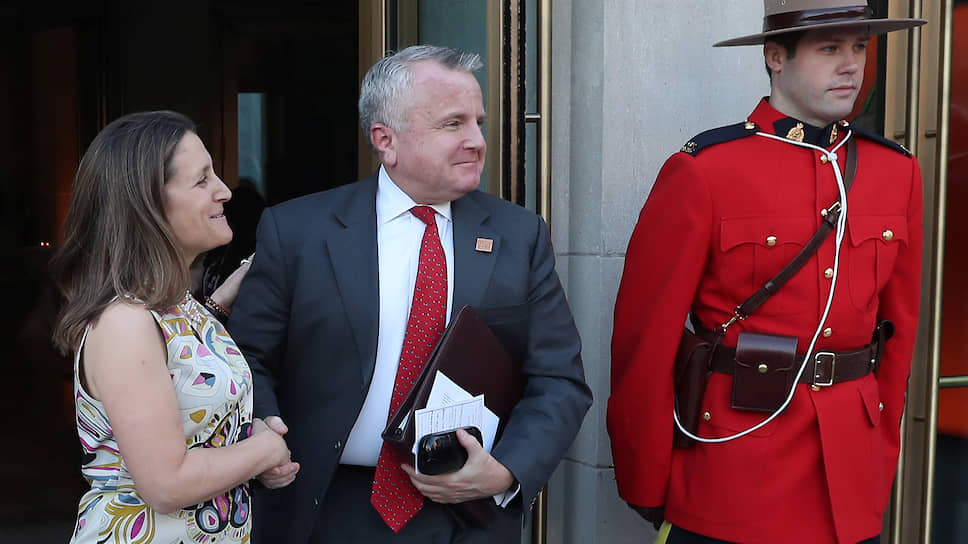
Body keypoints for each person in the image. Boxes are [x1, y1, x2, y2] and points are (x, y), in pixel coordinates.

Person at [227, 45, 593, 544]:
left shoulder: (518, 234)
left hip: (467, 515)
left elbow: (559, 379)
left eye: (479, 123)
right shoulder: (298, 231)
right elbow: (247, 357)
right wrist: (261, 432)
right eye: (453, 124)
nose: (477, 141)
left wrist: (506, 471)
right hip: (327, 508)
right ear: (386, 140)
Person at [607, 2, 926, 544]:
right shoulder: (705, 170)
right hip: (734, 466)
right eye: (830, 49)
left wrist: (880, 454)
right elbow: (646, 342)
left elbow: (897, 337)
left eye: (859, 48)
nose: (851, 65)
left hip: (849, 475)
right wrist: (649, 480)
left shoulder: (897, 171)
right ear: (776, 56)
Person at [50, 111, 299, 544]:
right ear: (147, 204)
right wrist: (264, 449)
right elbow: (167, 484)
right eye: (202, 180)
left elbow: (182, 364)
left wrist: (220, 303)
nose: (224, 191)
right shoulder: (125, 322)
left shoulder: (174, 306)